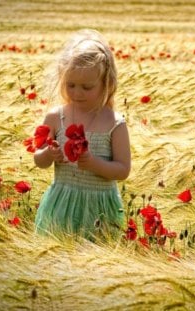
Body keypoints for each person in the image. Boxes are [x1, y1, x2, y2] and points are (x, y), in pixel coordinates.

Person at [34, 29, 131, 240]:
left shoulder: (115, 124)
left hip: (100, 212)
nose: (77, 93)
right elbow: (38, 159)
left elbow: (123, 170)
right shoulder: (55, 118)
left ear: (106, 83)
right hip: (61, 206)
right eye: (71, 85)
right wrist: (48, 155)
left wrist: (94, 163)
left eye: (87, 87)